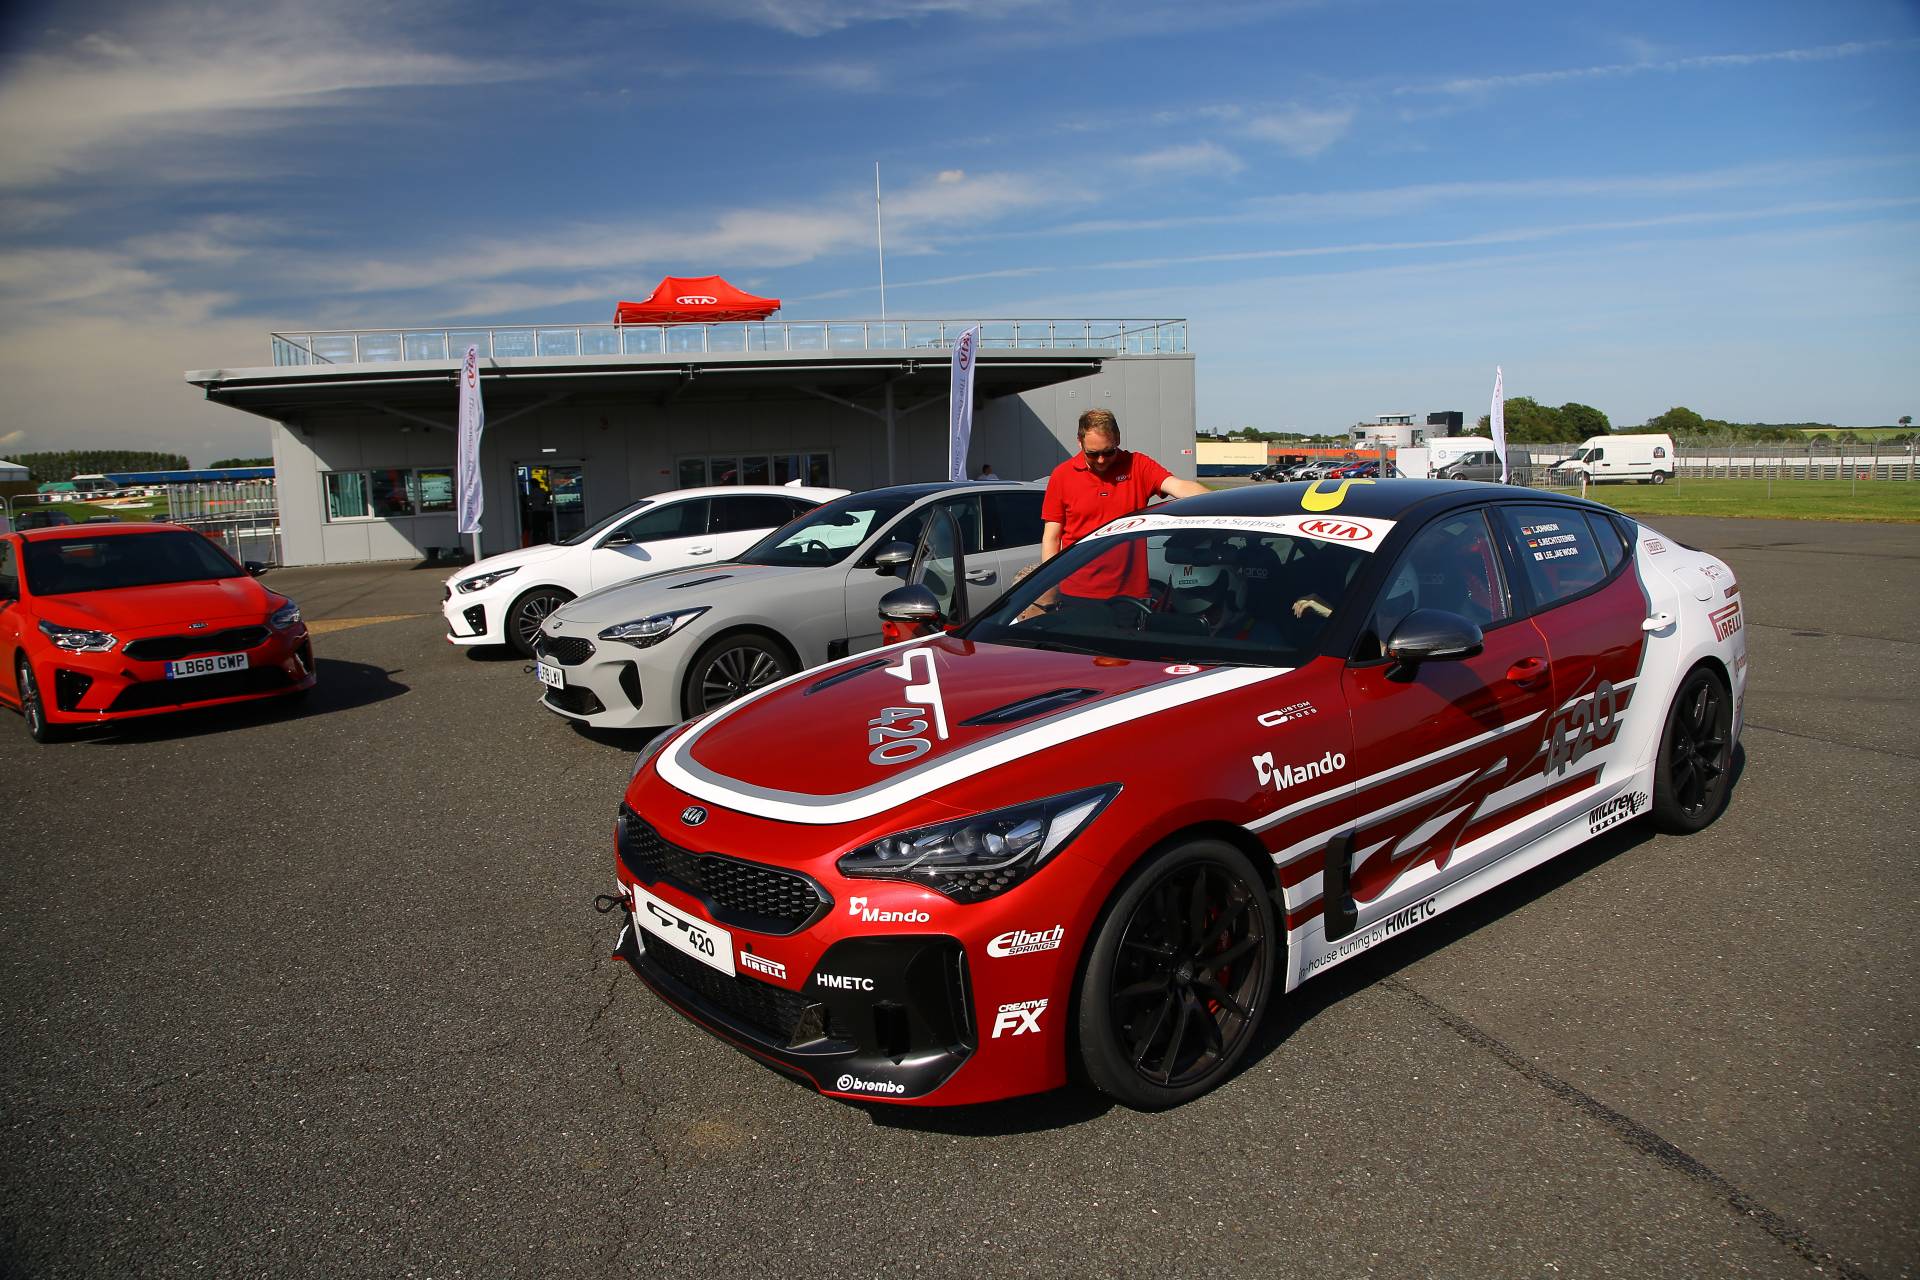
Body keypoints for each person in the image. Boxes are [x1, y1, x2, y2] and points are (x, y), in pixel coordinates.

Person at [1022, 409, 1208, 617]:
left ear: (1117, 439)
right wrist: (1049, 585)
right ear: (1079, 442)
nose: (1101, 460)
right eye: (1092, 453)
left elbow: (1180, 487)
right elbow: (1052, 537)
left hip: (1129, 596)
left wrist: (1225, 503)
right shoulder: (1062, 475)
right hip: (1076, 594)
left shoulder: (1137, 466)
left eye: (1108, 451)